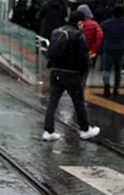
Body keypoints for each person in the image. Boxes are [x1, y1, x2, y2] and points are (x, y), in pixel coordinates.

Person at [42, 11, 101, 142]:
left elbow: (50, 52)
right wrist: (82, 72)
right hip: (72, 73)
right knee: (79, 102)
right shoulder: (78, 35)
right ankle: (85, 130)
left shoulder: (56, 31)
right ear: (79, 22)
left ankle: (48, 130)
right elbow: (83, 56)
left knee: (53, 101)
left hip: (55, 71)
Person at [99, 6, 124, 97]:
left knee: (106, 68)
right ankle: (116, 88)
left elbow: (100, 34)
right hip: (121, 48)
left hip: (108, 47)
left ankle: (106, 84)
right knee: (118, 69)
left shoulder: (105, 23)